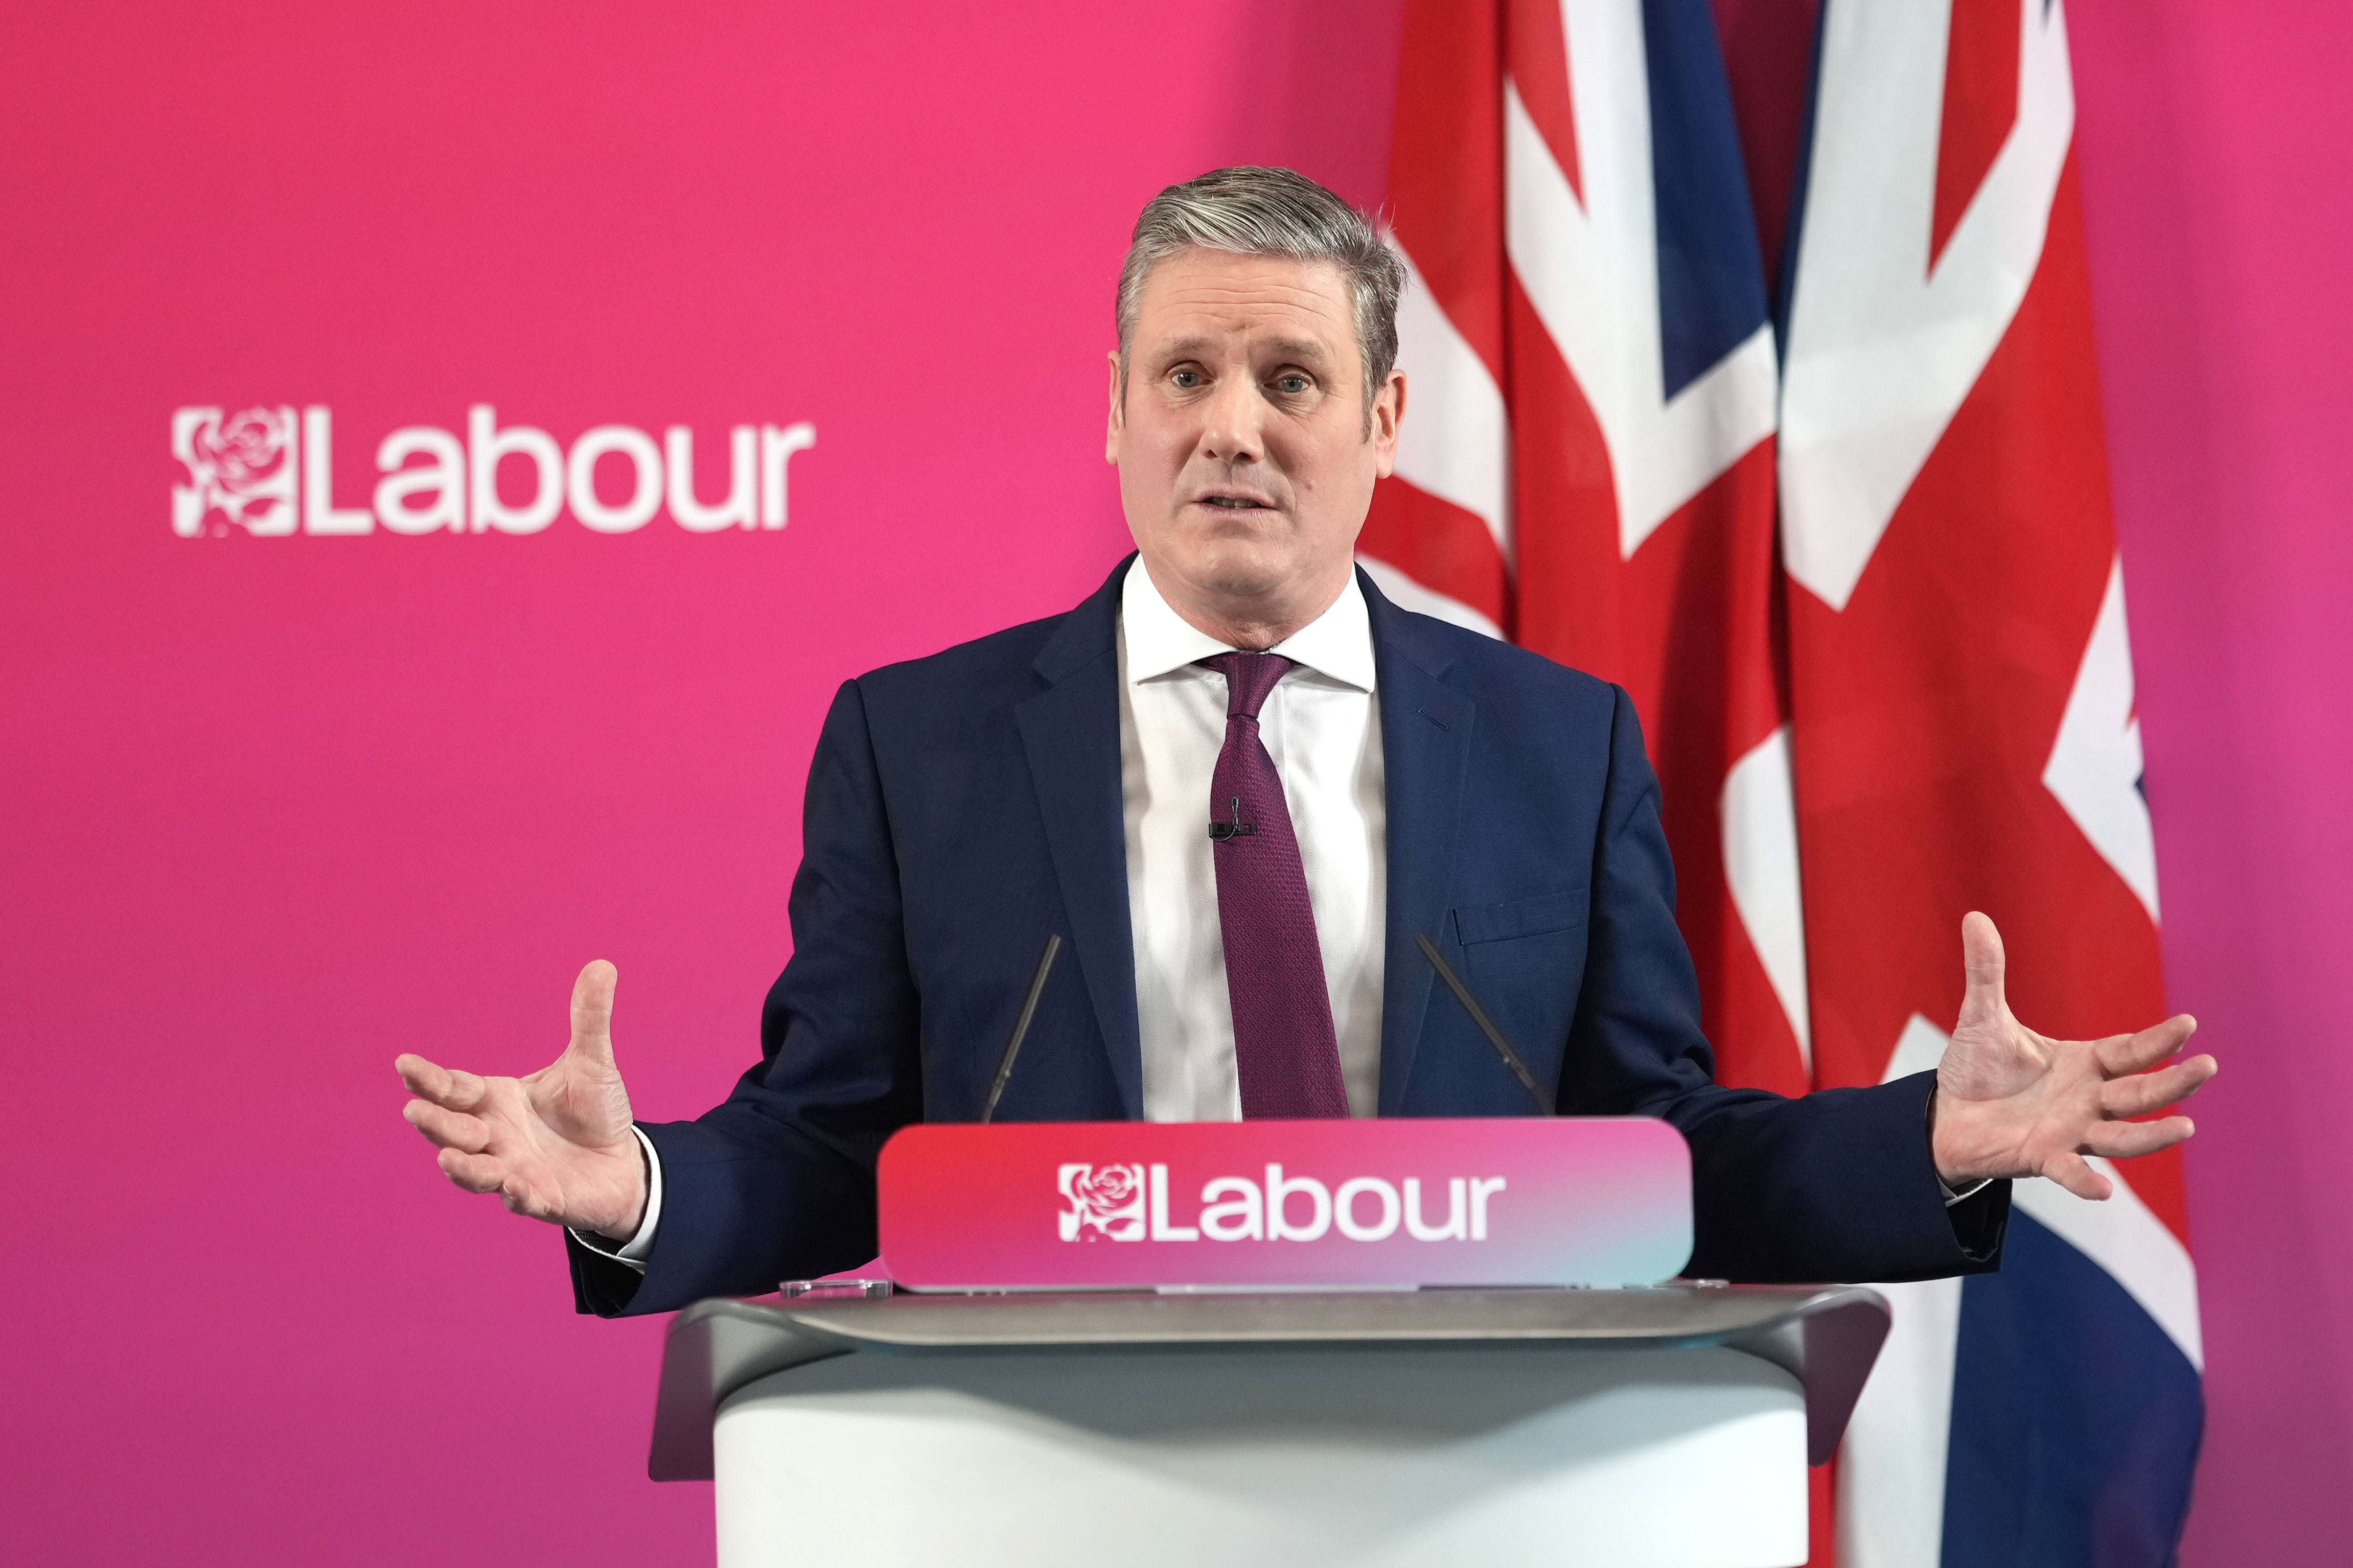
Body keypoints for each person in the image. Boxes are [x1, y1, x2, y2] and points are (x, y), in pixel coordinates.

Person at [396, 168, 2215, 1316]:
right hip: (1047, 1467)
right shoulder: (917, 743)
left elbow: (1663, 1155)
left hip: (1458, 1466)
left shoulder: (1551, 746)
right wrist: (633, 1185)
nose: (1230, 432)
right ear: (1112, 412)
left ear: (1385, 419)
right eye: (1182, 377)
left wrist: (1932, 1147)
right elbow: (827, 1145)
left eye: (1288, 381)